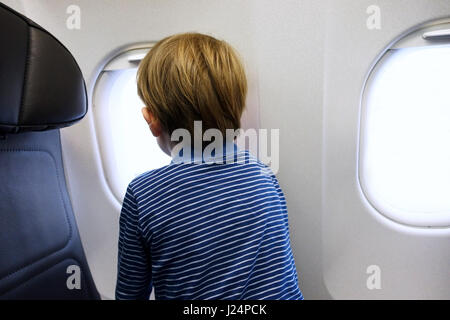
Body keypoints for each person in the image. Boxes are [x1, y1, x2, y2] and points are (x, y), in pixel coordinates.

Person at [115, 32, 303, 300]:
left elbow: (130, 294)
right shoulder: (263, 175)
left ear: (151, 119)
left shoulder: (144, 194)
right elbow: (282, 281)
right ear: (235, 109)